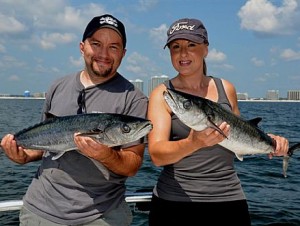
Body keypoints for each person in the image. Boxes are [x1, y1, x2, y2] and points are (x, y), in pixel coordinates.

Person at [1, 14, 148, 226]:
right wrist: (23, 155)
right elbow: (47, 144)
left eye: (113, 47)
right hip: (40, 211)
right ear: (82, 47)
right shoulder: (57, 86)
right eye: (96, 44)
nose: (104, 54)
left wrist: (105, 155)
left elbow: (132, 165)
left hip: (101, 216)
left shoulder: (133, 98)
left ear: (123, 53)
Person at [147, 18, 289, 226]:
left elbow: (242, 136)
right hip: (174, 202)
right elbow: (157, 155)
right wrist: (193, 143)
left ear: (206, 49)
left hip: (229, 200)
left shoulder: (226, 88)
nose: (183, 53)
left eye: (191, 45)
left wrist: (272, 143)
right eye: (176, 47)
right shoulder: (163, 94)